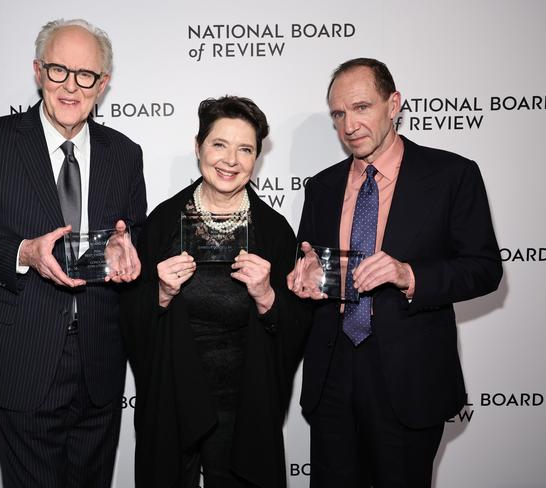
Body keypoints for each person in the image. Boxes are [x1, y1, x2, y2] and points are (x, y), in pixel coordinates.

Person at [0, 19, 146, 487]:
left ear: (102, 83)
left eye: (85, 75)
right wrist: (23, 252)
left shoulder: (125, 153)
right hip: (20, 355)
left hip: (99, 361)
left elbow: (137, 235)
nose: (71, 86)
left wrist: (127, 250)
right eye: (58, 71)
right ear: (37, 71)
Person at [288, 58, 502, 487]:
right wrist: (304, 278)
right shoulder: (323, 186)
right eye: (338, 114)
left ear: (394, 104)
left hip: (410, 379)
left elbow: (484, 270)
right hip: (332, 377)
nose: (349, 125)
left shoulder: (451, 175)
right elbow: (311, 263)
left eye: (362, 107)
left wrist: (409, 274)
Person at [122, 96, 310, 488]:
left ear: (257, 157)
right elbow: (127, 318)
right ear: (198, 147)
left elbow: (298, 326)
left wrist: (266, 297)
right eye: (219, 144)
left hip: (246, 405)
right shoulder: (162, 222)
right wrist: (159, 293)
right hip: (173, 398)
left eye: (246, 149)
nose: (231, 160)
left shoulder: (274, 231)